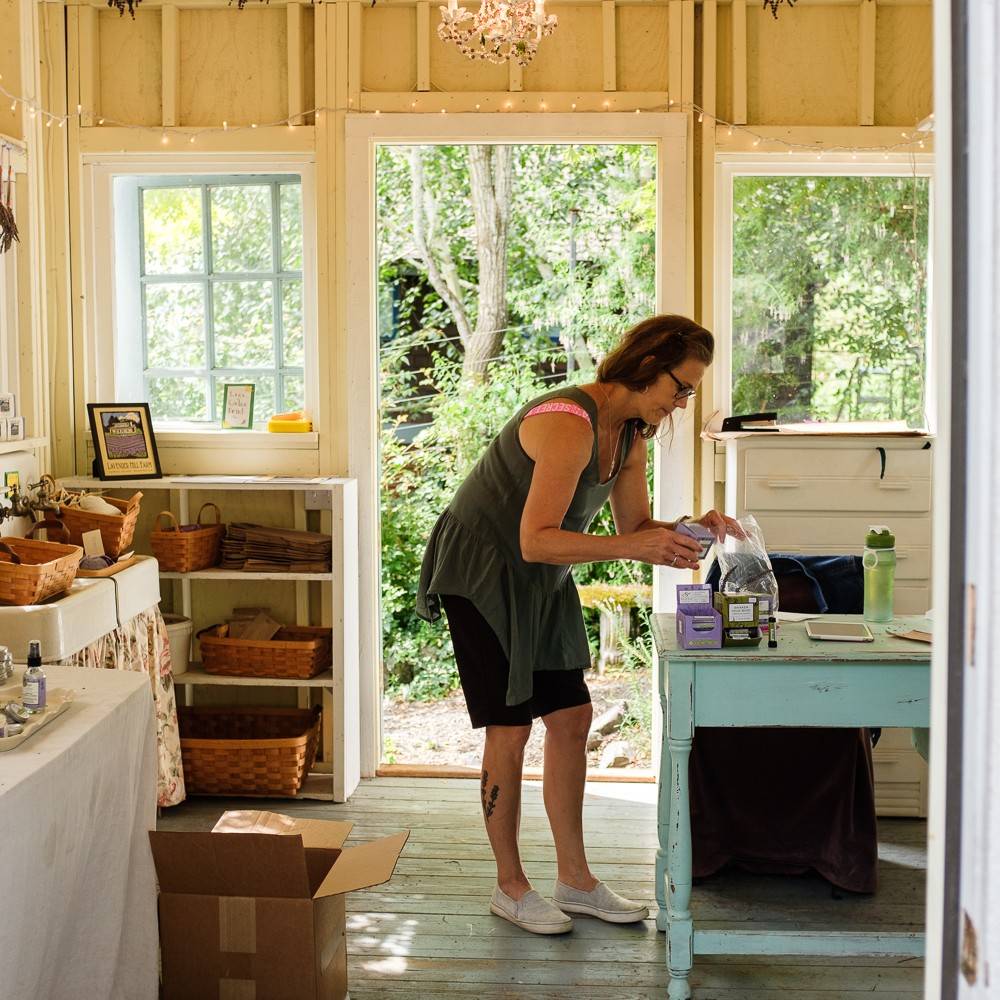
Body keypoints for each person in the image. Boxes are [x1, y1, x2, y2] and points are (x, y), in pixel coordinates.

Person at [416, 314, 741, 935]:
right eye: (683, 386)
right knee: (508, 728)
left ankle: (576, 880)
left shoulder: (630, 436)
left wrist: (689, 528)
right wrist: (636, 551)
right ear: (648, 366)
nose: (683, 401)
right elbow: (536, 540)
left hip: (540, 575)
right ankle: (510, 887)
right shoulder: (567, 423)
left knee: (571, 716)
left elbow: (631, 530)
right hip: (483, 571)